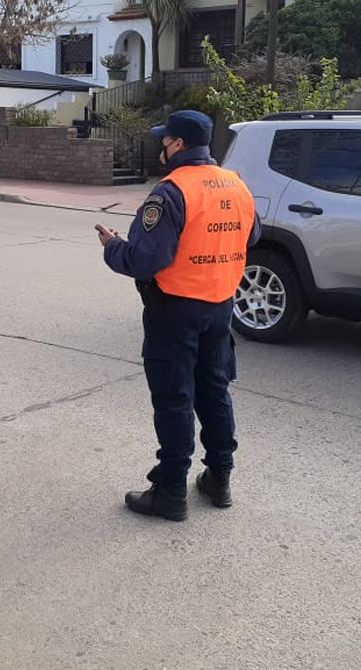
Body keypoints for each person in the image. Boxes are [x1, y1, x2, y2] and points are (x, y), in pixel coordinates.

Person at [97, 110, 261, 521]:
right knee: (215, 392)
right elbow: (252, 235)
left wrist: (113, 247)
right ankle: (219, 478)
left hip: (175, 309)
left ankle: (171, 491)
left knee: (175, 399)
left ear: (179, 144)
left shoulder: (171, 191)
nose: (162, 147)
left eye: (165, 140)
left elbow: (145, 259)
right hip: (220, 305)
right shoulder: (236, 184)